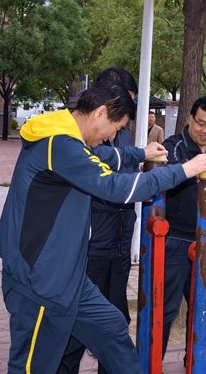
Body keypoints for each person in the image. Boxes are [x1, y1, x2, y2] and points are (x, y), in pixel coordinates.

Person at [0, 80, 206, 373]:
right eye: (116, 128)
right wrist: (185, 170)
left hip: (67, 277)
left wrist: (140, 154)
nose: (112, 136)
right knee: (33, 365)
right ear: (100, 113)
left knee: (112, 328)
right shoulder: (58, 144)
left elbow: (101, 157)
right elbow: (115, 187)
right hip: (39, 279)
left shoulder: (66, 139)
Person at [58, 67, 143, 373]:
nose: (120, 126)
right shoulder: (75, 137)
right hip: (90, 248)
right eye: (124, 102)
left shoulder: (123, 130)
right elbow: (111, 184)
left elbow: (127, 172)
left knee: (115, 323)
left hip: (119, 245)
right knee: (74, 332)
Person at [161, 95, 206, 357]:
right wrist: (194, 168)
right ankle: (152, 363)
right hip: (176, 241)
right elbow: (172, 172)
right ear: (190, 119)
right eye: (201, 123)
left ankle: (194, 362)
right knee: (165, 309)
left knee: (203, 310)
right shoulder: (173, 146)